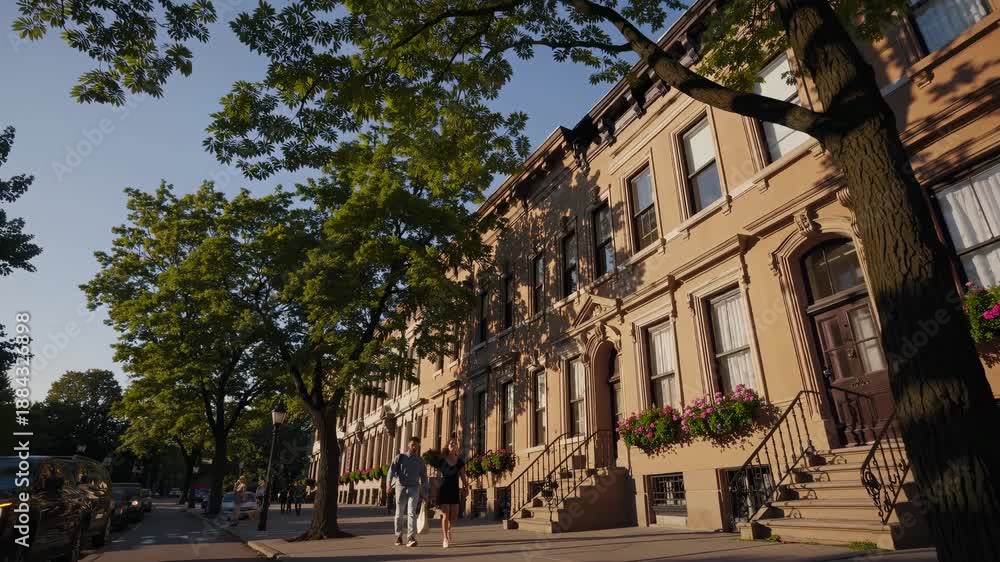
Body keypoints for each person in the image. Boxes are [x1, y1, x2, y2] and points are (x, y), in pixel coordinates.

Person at [386, 436, 428, 547]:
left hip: (414, 488)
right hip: (401, 487)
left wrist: (425, 492)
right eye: (413, 444)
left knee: (411, 512)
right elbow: (391, 472)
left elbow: (424, 477)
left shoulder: (420, 461)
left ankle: (411, 537)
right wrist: (388, 484)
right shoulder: (400, 457)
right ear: (408, 445)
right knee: (399, 513)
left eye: (417, 445)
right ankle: (399, 536)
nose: (415, 446)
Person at [437, 434, 470, 548]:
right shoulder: (442, 460)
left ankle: (450, 529)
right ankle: (445, 538)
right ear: (448, 446)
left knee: (454, 515)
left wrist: (466, 487)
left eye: (454, 443)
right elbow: (436, 475)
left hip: (455, 490)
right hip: (444, 489)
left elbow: (463, 476)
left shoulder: (459, 462)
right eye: (451, 443)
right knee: (445, 515)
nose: (452, 444)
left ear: (457, 447)